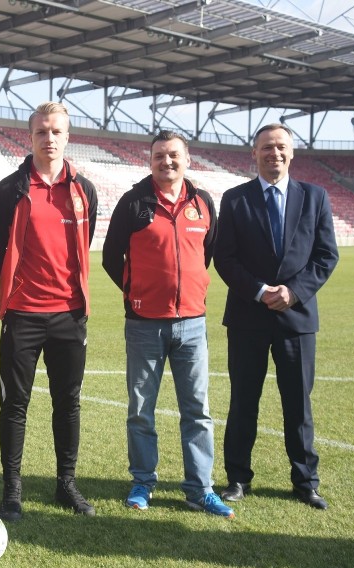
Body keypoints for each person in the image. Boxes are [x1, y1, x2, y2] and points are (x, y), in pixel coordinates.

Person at [102, 130, 233, 518]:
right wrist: (136, 291)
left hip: (192, 323)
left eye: (173, 155)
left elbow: (207, 253)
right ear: (151, 161)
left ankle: (200, 489)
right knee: (141, 409)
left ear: (187, 159)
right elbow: (112, 257)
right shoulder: (133, 202)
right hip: (144, 324)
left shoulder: (203, 202)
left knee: (198, 410)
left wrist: (187, 290)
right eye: (159, 156)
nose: (167, 162)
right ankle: (143, 481)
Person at [214, 123, 339, 510]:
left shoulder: (315, 197)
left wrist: (293, 291)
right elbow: (225, 257)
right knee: (243, 402)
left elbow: (326, 255)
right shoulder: (235, 199)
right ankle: (237, 478)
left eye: (281, 147)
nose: (274, 153)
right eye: (266, 147)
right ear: (254, 154)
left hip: (297, 320)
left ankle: (305, 481)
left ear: (292, 153)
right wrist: (260, 291)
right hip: (248, 317)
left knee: (298, 404)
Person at [0, 101, 98, 522]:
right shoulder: (9, 190)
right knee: (15, 404)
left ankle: (65, 483)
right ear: (29, 137)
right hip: (23, 315)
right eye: (41, 132)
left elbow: (81, 250)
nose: (49, 138)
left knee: (68, 404)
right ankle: (12, 489)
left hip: (70, 315)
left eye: (56, 131)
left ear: (67, 137)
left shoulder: (85, 189)